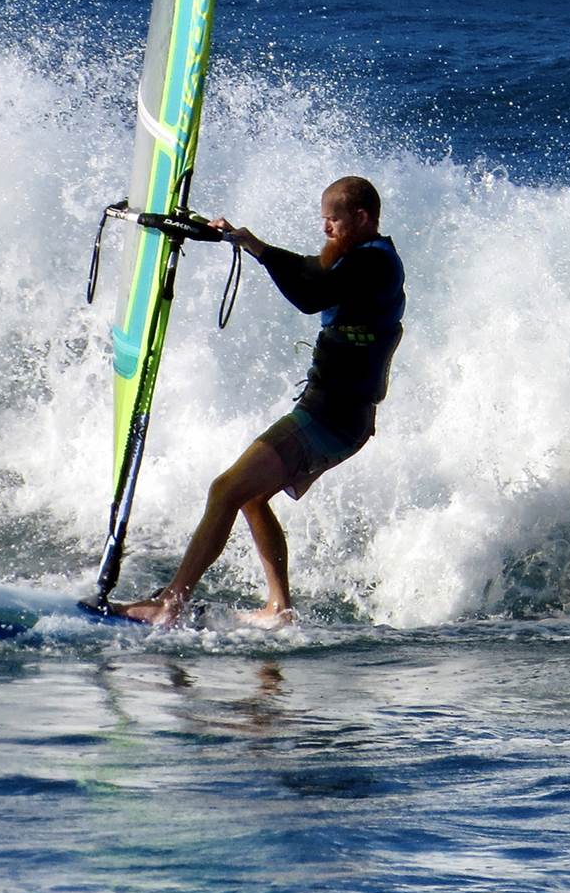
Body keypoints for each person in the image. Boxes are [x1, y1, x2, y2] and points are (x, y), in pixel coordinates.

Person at [115, 175, 405, 626]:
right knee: (250, 498)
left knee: (225, 489)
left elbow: (309, 295)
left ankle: (170, 604)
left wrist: (261, 252)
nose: (325, 228)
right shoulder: (361, 256)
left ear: (362, 217)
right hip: (338, 415)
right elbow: (310, 270)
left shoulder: (374, 264)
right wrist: (249, 243)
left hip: (331, 416)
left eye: (333, 220)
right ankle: (278, 609)